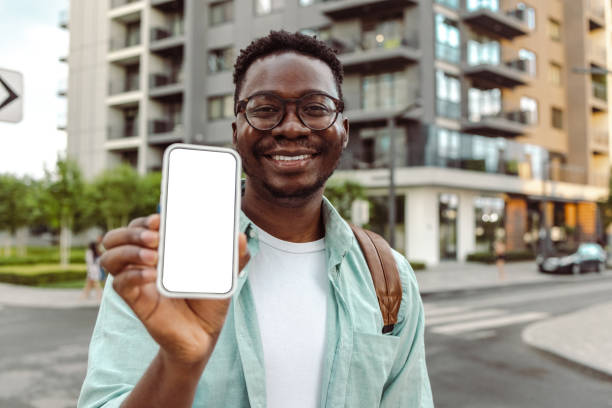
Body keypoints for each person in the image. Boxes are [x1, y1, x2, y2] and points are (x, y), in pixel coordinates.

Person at [78, 30, 432, 408]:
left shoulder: (390, 279)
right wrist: (179, 363)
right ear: (237, 132)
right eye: (265, 109)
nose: (291, 127)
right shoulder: (158, 264)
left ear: (343, 131)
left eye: (315, 108)